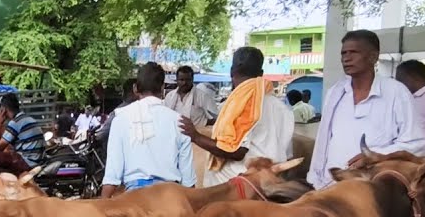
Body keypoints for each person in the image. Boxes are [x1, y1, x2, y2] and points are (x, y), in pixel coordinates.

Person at [307, 29, 425, 189]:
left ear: (373, 57)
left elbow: (415, 142)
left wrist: (375, 156)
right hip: (330, 185)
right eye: (344, 53)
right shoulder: (336, 92)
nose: (346, 58)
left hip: (374, 188)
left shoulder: (396, 92)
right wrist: (315, 179)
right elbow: (323, 140)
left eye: (354, 52)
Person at [181, 46, 294, 187]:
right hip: (273, 182)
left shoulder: (242, 104)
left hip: (239, 186)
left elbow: (236, 152)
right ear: (261, 73)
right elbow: (288, 156)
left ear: (231, 72)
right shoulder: (283, 109)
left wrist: (195, 136)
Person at [102, 62, 196, 196]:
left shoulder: (121, 119)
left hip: (134, 201)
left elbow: (112, 176)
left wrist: (102, 205)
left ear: (135, 89)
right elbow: (188, 182)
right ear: (163, 88)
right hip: (170, 199)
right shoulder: (180, 122)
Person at [0, 93, 44, 173]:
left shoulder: (15, 123)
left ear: (3, 109)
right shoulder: (28, 119)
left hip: (27, 163)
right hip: (36, 161)